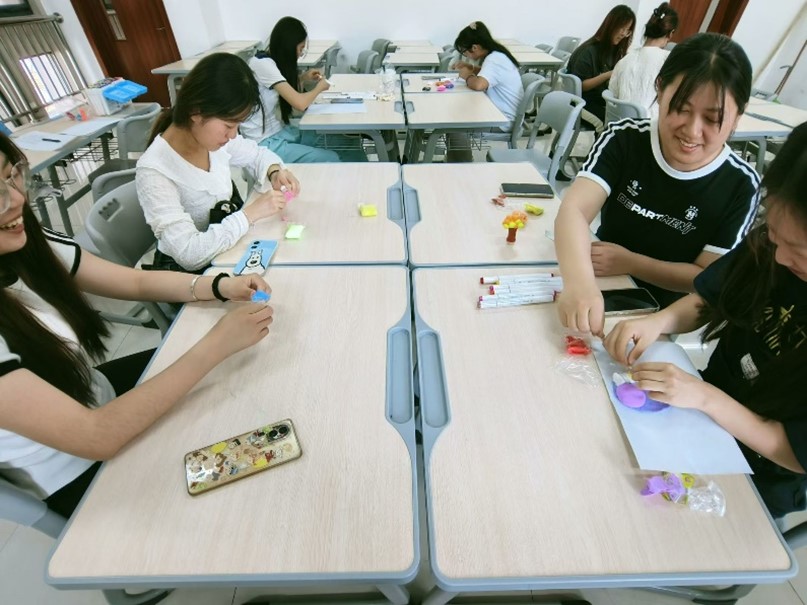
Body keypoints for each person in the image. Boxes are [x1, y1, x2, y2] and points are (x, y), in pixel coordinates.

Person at [0, 133, 274, 517]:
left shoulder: (22, 239)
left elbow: (135, 282)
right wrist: (215, 345)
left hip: (96, 392)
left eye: (11, 175)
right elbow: (97, 436)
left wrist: (218, 285)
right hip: (81, 467)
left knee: (247, 376)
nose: (17, 198)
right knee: (248, 475)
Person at [603, 122, 807, 519]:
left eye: (798, 251)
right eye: (775, 237)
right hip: (701, 414)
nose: (781, 258)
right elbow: (711, 298)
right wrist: (660, 321)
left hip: (761, 472)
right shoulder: (770, 248)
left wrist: (707, 398)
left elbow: (793, 451)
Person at [555, 33, 760, 336]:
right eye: (682, 108)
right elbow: (574, 209)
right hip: (599, 278)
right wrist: (579, 283)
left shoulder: (740, 185)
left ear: (738, 116)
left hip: (660, 314)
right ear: (660, 89)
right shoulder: (625, 137)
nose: (692, 131)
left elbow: (704, 277)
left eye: (712, 119)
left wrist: (632, 263)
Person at [136, 52, 299, 273]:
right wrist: (250, 214)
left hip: (226, 254)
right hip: (190, 277)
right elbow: (188, 254)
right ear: (196, 111)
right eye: (229, 125)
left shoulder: (210, 138)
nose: (232, 135)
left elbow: (257, 154)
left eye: (237, 125)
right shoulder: (154, 170)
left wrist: (274, 171)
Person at [240, 17, 365, 162]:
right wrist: (319, 88)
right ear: (288, 47)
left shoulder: (271, 62)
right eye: (300, 48)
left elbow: (283, 92)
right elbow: (299, 104)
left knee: (348, 143)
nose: (300, 53)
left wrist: (303, 78)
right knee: (330, 158)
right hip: (266, 143)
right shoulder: (262, 64)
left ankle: (367, 174)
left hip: (281, 132)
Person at [448, 21, 524, 162]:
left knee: (455, 126)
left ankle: (461, 167)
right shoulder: (497, 55)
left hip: (503, 120)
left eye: (465, 52)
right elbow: (488, 74)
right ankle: (457, 162)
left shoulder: (494, 59)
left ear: (475, 47)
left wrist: (467, 76)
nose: (466, 56)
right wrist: (470, 67)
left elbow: (479, 85)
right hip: (500, 113)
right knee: (456, 116)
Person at [567, 4, 637, 123]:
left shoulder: (613, 49)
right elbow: (580, 86)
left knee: (625, 119)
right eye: (622, 28)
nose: (623, 34)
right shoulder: (589, 50)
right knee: (612, 123)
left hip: (597, 99)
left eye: (627, 30)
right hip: (580, 102)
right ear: (611, 25)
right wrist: (608, 74)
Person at [609, 2, 679, 117]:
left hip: (619, 124)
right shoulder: (670, 61)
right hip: (647, 126)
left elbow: (613, 94)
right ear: (670, 34)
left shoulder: (624, 60)